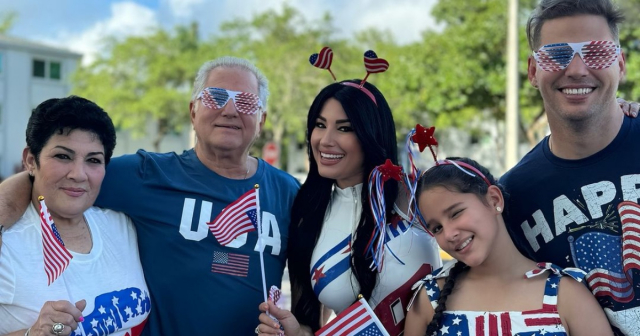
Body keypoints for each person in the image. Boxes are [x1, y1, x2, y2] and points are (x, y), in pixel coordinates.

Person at [0, 57, 300, 335]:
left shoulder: (289, 192)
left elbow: (307, 287)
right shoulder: (145, 174)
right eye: (216, 97)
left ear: (261, 120)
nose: (230, 110)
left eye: (246, 102)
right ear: (193, 110)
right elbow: (56, 175)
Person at [256, 80, 442, 336]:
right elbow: (312, 323)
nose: (325, 140)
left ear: (371, 134)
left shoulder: (416, 197)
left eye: (344, 128)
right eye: (320, 125)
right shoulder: (308, 213)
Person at [499, 1, 640, 334]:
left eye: (597, 53)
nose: (577, 69)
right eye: (557, 55)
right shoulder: (512, 196)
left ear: (620, 64)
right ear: (533, 71)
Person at [404, 157, 612, 336]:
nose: (449, 234)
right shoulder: (429, 297)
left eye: (456, 213)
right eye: (437, 228)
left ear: (494, 199)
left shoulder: (566, 295)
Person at [0, 96, 150, 336]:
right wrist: (32, 333)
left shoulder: (122, 225)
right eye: (63, 156)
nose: (78, 174)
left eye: (93, 160)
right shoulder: (6, 245)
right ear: (30, 160)